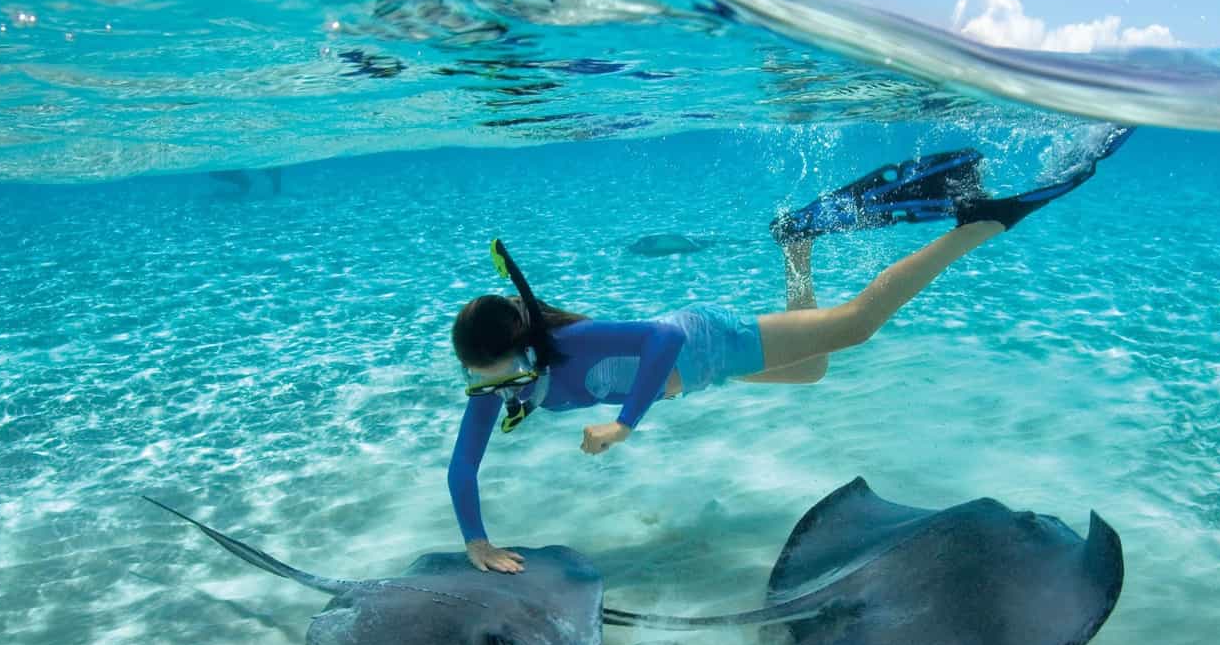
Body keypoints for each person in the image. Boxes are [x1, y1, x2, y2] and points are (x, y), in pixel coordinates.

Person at [449, 131, 1133, 572]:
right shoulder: (502, 385)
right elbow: (463, 465)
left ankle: (979, 225)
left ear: (522, 347)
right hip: (700, 375)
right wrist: (476, 540)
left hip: (704, 342)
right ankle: (797, 242)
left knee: (857, 324)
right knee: (812, 369)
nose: (487, 387)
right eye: (478, 378)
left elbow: (662, 340)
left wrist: (625, 424)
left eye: (491, 371)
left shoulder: (568, 344)